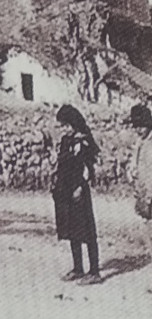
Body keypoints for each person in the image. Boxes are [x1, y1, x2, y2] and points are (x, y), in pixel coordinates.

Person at [52, 104, 102, 285]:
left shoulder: (84, 141)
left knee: (87, 231)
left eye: (66, 125)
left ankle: (95, 271)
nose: (65, 129)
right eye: (62, 126)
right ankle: (78, 268)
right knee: (72, 229)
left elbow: (88, 168)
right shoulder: (66, 141)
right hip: (65, 190)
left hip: (79, 190)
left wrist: (81, 186)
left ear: (74, 123)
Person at [125, 104, 152, 222]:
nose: (138, 130)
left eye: (141, 126)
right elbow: (133, 163)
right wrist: (130, 172)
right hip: (143, 192)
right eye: (136, 127)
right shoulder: (139, 142)